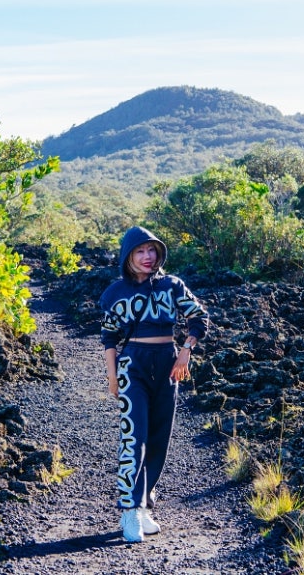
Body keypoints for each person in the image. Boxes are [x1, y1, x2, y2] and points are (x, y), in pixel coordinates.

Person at [99, 225, 209, 543]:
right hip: (131, 366)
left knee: (159, 439)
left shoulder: (172, 286)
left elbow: (199, 318)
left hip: (167, 365)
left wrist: (185, 351)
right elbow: (108, 337)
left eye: (152, 250)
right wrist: (111, 376)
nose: (148, 257)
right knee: (134, 438)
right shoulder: (115, 293)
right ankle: (129, 510)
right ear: (128, 256)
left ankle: (145, 504)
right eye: (140, 251)